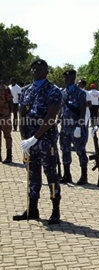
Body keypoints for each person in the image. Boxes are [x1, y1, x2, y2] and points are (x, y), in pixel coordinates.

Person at [13, 59, 62, 224]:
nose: (35, 71)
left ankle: (55, 210)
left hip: (45, 140)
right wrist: (24, 141)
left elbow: (50, 117)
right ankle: (32, 209)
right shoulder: (26, 90)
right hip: (30, 142)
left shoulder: (53, 90)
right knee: (32, 175)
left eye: (39, 69)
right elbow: (22, 116)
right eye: (33, 68)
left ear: (46, 71)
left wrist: (34, 138)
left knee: (51, 175)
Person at [58, 69, 89, 185]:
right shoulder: (63, 92)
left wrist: (80, 126)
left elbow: (83, 110)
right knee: (64, 150)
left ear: (74, 78)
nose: (67, 79)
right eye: (65, 77)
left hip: (76, 126)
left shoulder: (80, 93)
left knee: (80, 151)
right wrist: (57, 119)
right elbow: (61, 108)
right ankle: (67, 175)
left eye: (69, 77)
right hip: (65, 127)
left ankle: (84, 176)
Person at [0, 77, 13, 163]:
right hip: (5, 114)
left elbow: (10, 101)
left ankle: (9, 156)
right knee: (7, 136)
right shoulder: (5, 87)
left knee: (7, 136)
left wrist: (9, 113)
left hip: (5, 116)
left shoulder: (5, 88)